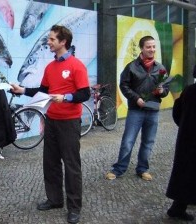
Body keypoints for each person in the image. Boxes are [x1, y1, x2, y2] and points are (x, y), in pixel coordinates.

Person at [11, 25, 90, 224]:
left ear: (63, 42)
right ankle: (55, 200)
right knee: (51, 163)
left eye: (52, 39)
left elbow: (85, 93)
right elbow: (43, 91)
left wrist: (66, 97)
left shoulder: (76, 65)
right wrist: (22, 90)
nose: (48, 42)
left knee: (72, 166)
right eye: (49, 39)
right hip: (51, 121)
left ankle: (74, 207)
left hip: (70, 122)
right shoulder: (50, 67)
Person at [105, 36, 169, 181]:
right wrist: (136, 98)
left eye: (153, 47)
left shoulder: (160, 68)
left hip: (153, 111)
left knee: (148, 142)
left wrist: (162, 91)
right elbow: (124, 85)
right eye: (148, 47)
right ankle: (119, 169)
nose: (152, 49)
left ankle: (142, 169)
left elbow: (166, 88)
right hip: (136, 110)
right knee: (128, 141)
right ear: (141, 48)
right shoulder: (132, 67)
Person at [165, 66, 196, 221]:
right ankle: (178, 208)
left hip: (186, 141)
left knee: (185, 174)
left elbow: (177, 112)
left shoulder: (189, 91)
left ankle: (177, 208)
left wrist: (184, 127)